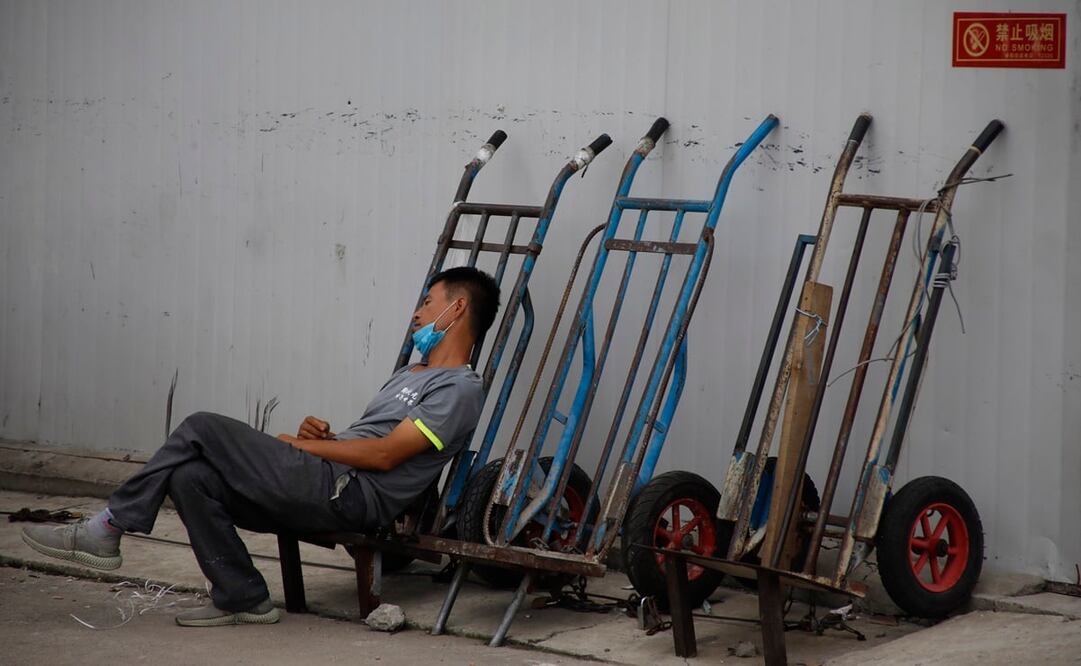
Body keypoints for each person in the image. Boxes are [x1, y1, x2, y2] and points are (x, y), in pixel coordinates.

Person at [21, 266, 500, 627]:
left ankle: (108, 526)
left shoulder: (459, 389)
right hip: (331, 478)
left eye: (428, 300)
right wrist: (324, 439)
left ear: (455, 309)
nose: (417, 311)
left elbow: (386, 456)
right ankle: (241, 595)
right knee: (192, 477)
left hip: (351, 496)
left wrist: (303, 451)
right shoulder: (411, 374)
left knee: (202, 427)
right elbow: (369, 442)